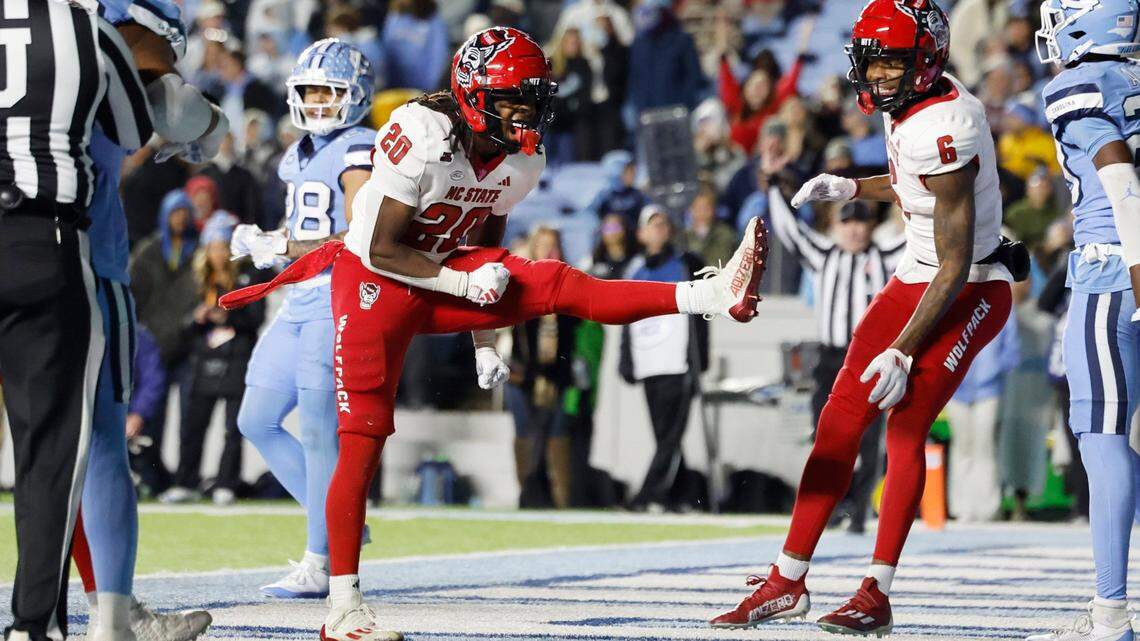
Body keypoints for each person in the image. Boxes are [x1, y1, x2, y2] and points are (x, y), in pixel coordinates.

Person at [218, 27, 770, 641]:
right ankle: (343, 608)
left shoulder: (520, 158)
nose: (529, 113)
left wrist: (485, 337)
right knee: (363, 441)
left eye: (534, 99)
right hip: (373, 285)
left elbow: (482, 245)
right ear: (476, 94)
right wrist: (461, 290)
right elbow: (375, 248)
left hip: (441, 273)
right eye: (515, 100)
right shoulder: (420, 135)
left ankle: (709, 294)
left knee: (554, 281)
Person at [710, 0, 1015, 634]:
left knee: (904, 429)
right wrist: (851, 185)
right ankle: (787, 580)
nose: (876, 78)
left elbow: (956, 261)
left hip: (973, 286)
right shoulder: (915, 109)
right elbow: (914, 184)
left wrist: (903, 348)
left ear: (925, 61)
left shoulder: (948, 123)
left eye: (890, 64)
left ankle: (876, 590)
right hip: (917, 277)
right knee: (839, 421)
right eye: (870, 64)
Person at [0, 4, 152, 639]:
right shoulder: (90, 29)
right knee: (51, 448)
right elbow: (134, 129)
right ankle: (34, 624)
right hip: (43, 240)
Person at [230, 38, 375, 599]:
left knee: (318, 432)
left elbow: (359, 235)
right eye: (310, 90)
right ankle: (343, 520)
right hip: (298, 301)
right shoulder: (299, 152)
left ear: (354, 96)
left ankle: (323, 558)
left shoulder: (360, 146)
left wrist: (282, 246)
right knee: (256, 418)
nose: (317, 100)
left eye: (329, 90)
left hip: (335, 297)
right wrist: (271, 243)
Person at [1027, 2, 1140, 639]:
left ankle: (1111, 615)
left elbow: (1121, 180)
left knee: (1101, 440)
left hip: (1111, 275)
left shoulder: (1076, 83)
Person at [768, 192, 906, 534]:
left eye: (861, 222)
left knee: (870, 439)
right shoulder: (823, 254)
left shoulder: (886, 256)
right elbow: (789, 230)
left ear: (872, 227)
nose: (854, 230)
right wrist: (773, 186)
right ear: (834, 225)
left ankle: (859, 511)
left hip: (870, 358)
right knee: (826, 436)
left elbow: (919, 239)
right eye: (847, 222)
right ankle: (827, 508)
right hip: (831, 358)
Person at [168, 213, 265, 505]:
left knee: (233, 428)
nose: (218, 252)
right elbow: (182, 326)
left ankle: (227, 482)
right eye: (213, 246)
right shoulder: (198, 281)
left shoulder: (248, 278)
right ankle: (186, 481)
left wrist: (230, 314)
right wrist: (197, 319)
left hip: (236, 361)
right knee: (193, 425)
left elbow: (255, 319)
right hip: (203, 361)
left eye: (223, 246)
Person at [619, 205, 708, 512]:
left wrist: (700, 360)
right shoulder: (632, 269)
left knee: (670, 435)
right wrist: (626, 360)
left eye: (663, 224)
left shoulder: (686, 264)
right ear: (641, 234)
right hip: (649, 364)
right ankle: (684, 495)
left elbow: (701, 314)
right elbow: (625, 316)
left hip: (677, 363)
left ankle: (646, 495)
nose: (659, 230)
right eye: (652, 225)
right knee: (664, 436)